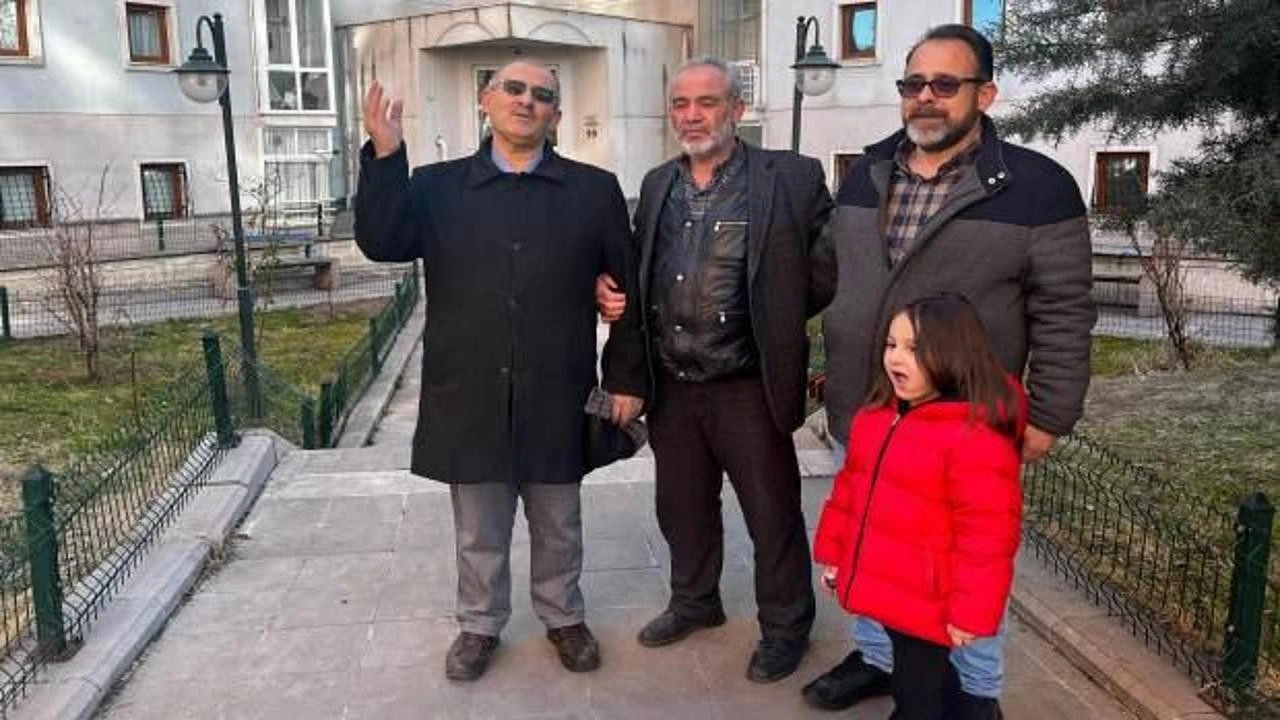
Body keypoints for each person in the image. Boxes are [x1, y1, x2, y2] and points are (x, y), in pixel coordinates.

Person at [803, 24, 1096, 715]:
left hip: (964, 430)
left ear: (984, 94)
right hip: (868, 411)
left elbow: (1064, 311)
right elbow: (823, 273)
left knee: (960, 565)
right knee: (877, 545)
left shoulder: (1036, 188)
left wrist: (1050, 415)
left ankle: (973, 692)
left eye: (944, 83)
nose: (925, 97)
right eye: (914, 83)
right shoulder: (868, 174)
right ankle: (880, 661)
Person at [354, 60, 648, 682]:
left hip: (558, 386)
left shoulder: (593, 190)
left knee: (559, 521)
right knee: (478, 528)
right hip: (469, 389)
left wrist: (626, 378)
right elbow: (381, 241)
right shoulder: (436, 187)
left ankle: (563, 615)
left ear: (556, 115)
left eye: (542, 95)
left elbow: (627, 289)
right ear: (485, 100)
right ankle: (479, 624)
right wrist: (385, 154)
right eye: (512, 89)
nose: (526, 101)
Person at [595, 56, 837, 682]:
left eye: (707, 102)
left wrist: (776, 315)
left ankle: (786, 627)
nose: (692, 115)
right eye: (681, 104)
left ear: (737, 109)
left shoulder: (792, 177)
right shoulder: (657, 183)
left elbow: (825, 269)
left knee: (772, 514)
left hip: (748, 385)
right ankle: (695, 601)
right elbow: (639, 271)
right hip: (673, 385)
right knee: (682, 508)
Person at [814, 294, 1025, 720]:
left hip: (932, 600)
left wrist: (972, 612)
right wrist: (836, 554)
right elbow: (850, 491)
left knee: (916, 691)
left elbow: (987, 538)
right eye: (891, 344)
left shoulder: (973, 436)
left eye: (914, 348)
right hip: (893, 590)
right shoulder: (877, 417)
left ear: (952, 354)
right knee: (926, 681)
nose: (895, 357)